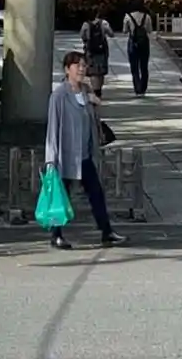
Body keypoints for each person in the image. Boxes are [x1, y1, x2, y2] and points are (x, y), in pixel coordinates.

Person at [44, 51, 127, 250]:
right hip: (65, 155)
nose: (82, 69)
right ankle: (56, 235)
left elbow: (92, 120)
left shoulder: (86, 91)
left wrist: (94, 102)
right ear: (67, 69)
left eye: (83, 65)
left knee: (96, 193)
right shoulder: (59, 95)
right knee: (61, 195)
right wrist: (51, 159)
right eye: (77, 66)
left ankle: (106, 232)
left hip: (84, 154)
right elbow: (52, 128)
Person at [122, 5, 152, 96]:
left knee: (134, 67)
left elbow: (125, 30)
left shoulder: (128, 16)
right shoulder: (147, 16)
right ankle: (143, 88)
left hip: (133, 42)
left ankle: (137, 88)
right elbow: (149, 30)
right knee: (144, 66)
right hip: (144, 43)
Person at [81, 12, 112, 96]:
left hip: (90, 50)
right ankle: (99, 89)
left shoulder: (86, 24)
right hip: (102, 50)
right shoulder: (104, 23)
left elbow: (83, 36)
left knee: (93, 71)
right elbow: (111, 34)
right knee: (101, 71)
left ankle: (95, 89)